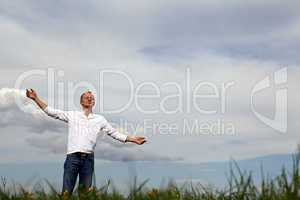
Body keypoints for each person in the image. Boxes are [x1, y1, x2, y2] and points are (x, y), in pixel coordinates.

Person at [26, 88, 146, 194]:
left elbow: (114, 133)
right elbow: (51, 112)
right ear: (81, 101)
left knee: (85, 195)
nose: (89, 99)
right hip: (72, 158)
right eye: (86, 97)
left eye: (91, 98)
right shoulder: (72, 115)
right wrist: (35, 98)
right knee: (66, 193)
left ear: (94, 102)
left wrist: (133, 139)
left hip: (88, 160)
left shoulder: (100, 119)